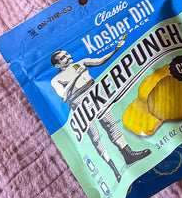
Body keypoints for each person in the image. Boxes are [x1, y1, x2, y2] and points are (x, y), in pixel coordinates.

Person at [50, 39, 150, 183]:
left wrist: (115, 49)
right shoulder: (56, 79)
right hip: (80, 104)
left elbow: (100, 61)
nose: (67, 56)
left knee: (111, 124)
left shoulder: (81, 62)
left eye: (66, 54)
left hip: (94, 93)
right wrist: (76, 75)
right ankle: (114, 169)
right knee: (95, 137)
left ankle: (128, 154)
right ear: (57, 65)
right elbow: (64, 96)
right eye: (63, 57)